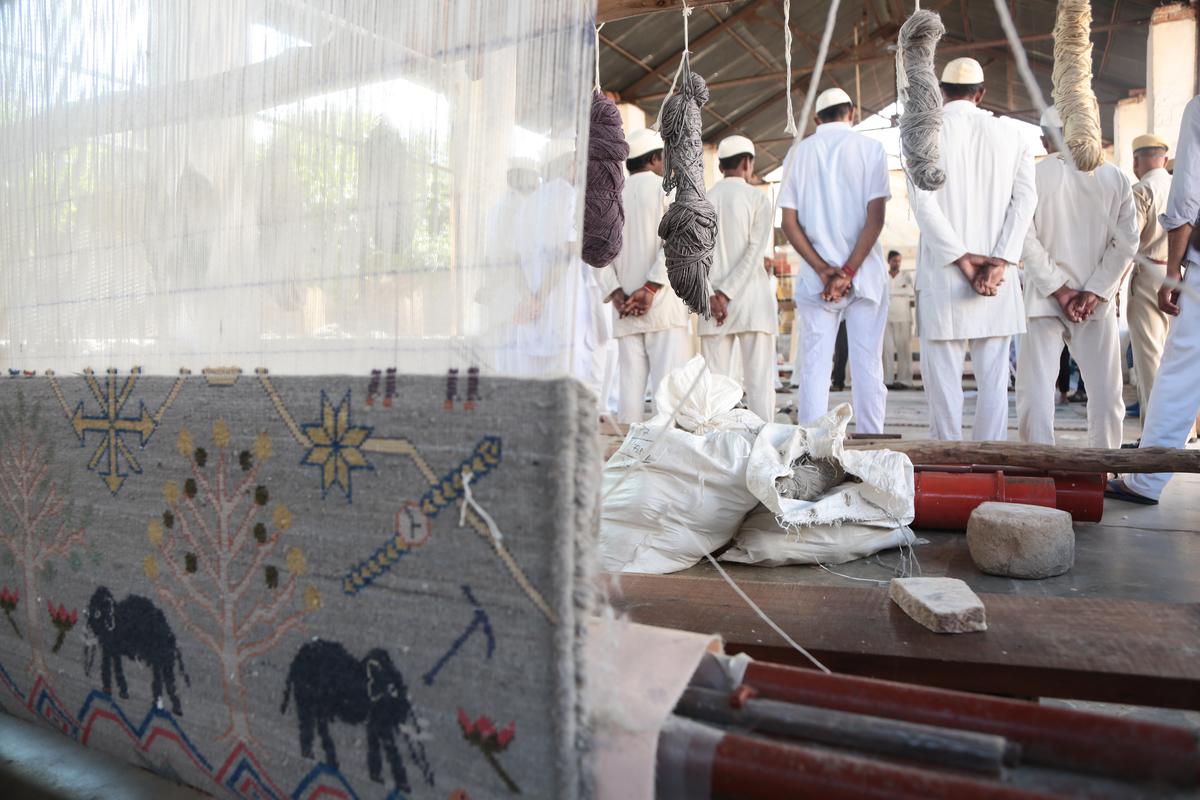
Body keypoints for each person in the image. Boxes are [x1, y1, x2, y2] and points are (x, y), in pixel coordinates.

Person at [909, 57, 1037, 441]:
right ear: (981, 94)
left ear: (941, 93)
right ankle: (989, 464)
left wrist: (962, 260)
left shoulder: (923, 135)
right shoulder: (1014, 135)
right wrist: (998, 261)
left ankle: (948, 467)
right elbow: (1025, 201)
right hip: (996, 281)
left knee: (943, 385)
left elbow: (923, 204)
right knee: (995, 381)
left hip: (943, 275)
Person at [1016, 106, 1137, 449]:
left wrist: (1058, 288)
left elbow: (1024, 238)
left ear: (1044, 139)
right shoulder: (1114, 176)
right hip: (1094, 305)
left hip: (1044, 299)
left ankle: (1038, 467)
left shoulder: (1034, 177)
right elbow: (1127, 242)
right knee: (1105, 392)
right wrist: (1095, 291)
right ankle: (1105, 465)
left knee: (1036, 390)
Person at [778, 87, 890, 433]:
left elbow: (788, 223)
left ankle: (810, 448)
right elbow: (875, 219)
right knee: (867, 362)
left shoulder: (798, 154)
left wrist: (825, 270)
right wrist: (848, 271)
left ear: (816, 119)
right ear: (852, 113)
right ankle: (872, 441)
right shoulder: (871, 149)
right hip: (865, 275)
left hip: (818, 281)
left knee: (815, 365)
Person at [1110, 95, 1200, 504]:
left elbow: (1184, 207)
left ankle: (1148, 469)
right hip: (1171, 267)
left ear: (1138, 159)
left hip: (1161, 273)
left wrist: (1169, 275)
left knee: (1165, 367)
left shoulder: (1141, 191)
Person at [599, 128, 691, 423]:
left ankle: (631, 457)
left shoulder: (610, 196)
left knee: (630, 392)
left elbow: (599, 251)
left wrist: (616, 292)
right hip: (661, 305)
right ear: (654, 159)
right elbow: (677, 244)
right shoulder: (669, 189)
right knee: (669, 393)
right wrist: (650, 289)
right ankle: (668, 458)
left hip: (625, 307)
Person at [699, 135, 778, 422]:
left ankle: (718, 452)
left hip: (712, 307)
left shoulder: (701, 201)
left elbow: (694, 257)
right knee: (759, 387)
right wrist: (728, 293)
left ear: (720, 166)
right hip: (753, 303)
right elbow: (754, 252)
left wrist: (712, 294)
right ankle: (765, 451)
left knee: (717, 390)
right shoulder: (758, 198)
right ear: (747, 163)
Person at [1125, 134, 1173, 434]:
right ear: (1164, 160)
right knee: (1178, 358)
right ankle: (1186, 428)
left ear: (1135, 162)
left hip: (1149, 275)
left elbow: (1128, 243)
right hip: (1181, 275)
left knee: (1150, 359)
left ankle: (1155, 433)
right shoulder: (1181, 185)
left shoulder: (1141, 190)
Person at [881, 250, 915, 389]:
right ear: (889, 261)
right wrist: (901, 292)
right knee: (886, 350)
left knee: (904, 349)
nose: (897, 263)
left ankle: (905, 380)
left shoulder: (906, 275)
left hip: (903, 316)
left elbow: (911, 291)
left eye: (899, 261)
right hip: (886, 317)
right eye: (895, 261)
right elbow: (881, 293)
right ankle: (887, 380)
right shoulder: (883, 275)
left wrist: (891, 293)